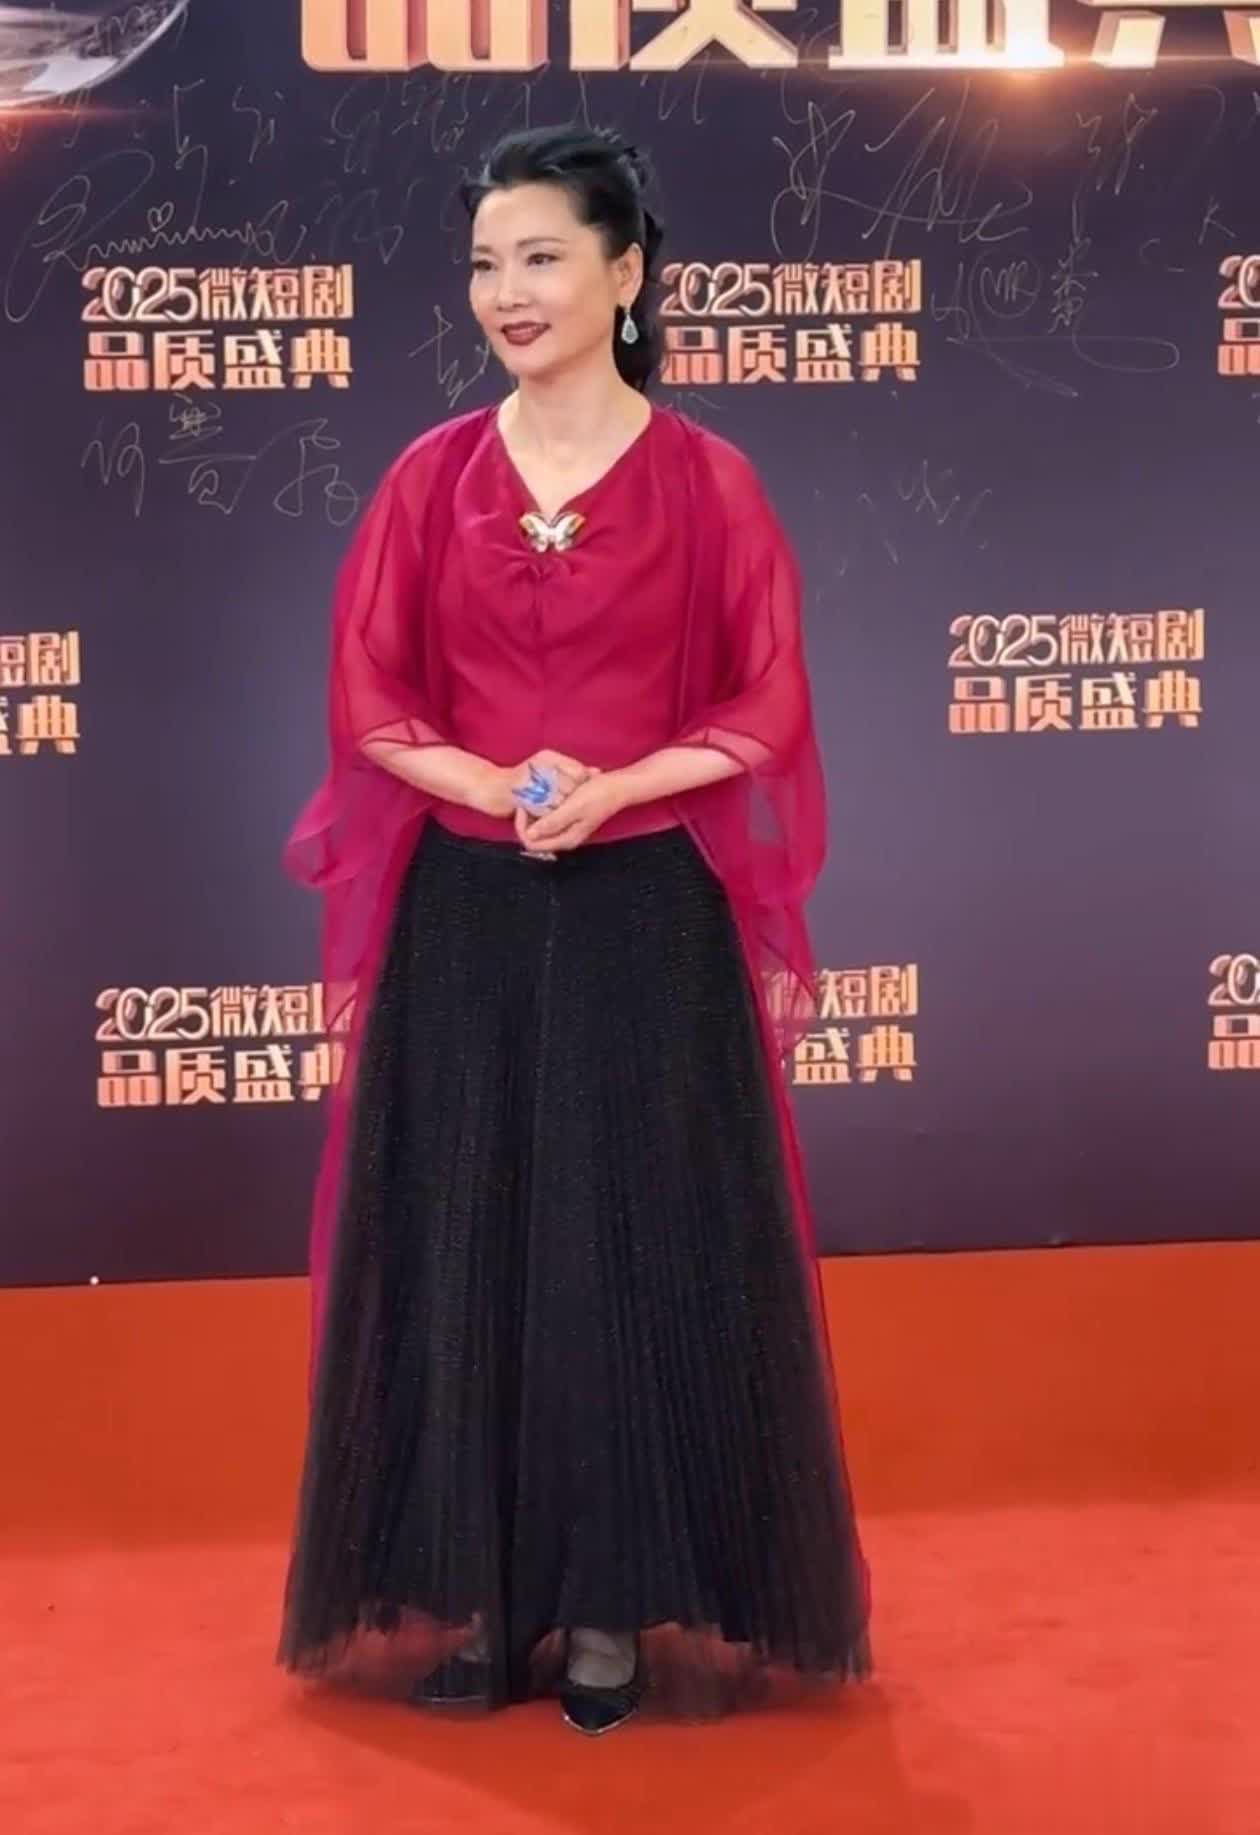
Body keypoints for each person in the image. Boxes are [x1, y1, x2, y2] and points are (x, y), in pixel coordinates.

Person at [275, 122, 872, 1736]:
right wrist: (487, 782)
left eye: (541, 256)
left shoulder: (709, 482)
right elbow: (369, 693)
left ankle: (610, 1605)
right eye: (486, 263)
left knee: (626, 1254)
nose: (508, 292)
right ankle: (486, 1592)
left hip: (644, 917)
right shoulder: (429, 478)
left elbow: (767, 702)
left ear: (628, 273)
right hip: (467, 915)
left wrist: (612, 791)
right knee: (468, 1252)